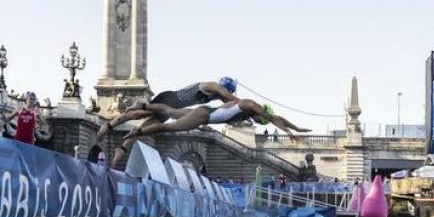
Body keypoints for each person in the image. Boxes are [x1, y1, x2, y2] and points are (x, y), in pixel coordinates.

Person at [98, 77, 239, 167]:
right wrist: (245, 105)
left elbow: (228, 106)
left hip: (171, 108)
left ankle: (121, 149)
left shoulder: (215, 96)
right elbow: (231, 99)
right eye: (228, 91)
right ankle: (109, 125)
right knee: (141, 113)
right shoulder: (213, 86)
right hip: (168, 99)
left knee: (143, 130)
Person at [122, 98, 311, 142]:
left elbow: (278, 118)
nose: (257, 119)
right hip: (204, 116)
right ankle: (136, 132)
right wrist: (288, 132)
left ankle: (142, 105)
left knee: (171, 111)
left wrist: (297, 128)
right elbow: (273, 118)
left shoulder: (245, 109)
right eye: (259, 117)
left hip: (205, 112)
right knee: (168, 128)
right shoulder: (249, 105)